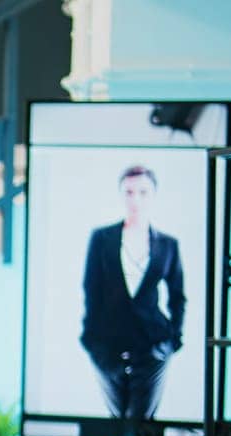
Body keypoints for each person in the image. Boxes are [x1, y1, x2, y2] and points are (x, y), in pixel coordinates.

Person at [79, 165, 185, 420]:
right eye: (128, 192)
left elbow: (177, 296)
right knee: (117, 420)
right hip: (108, 345)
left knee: (142, 422)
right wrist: (93, 342)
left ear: (153, 195)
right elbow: (91, 289)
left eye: (142, 192)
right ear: (121, 195)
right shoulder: (102, 238)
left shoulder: (167, 245)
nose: (135, 199)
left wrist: (171, 340)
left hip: (152, 345)